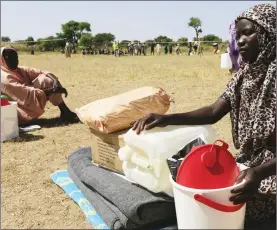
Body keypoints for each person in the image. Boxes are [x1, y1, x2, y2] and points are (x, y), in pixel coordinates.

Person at [132, 4, 276, 230]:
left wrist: (259, 173)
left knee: (238, 207)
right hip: (252, 163)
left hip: (271, 169)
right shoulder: (244, 76)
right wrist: (167, 118)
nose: (241, 41)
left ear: (270, 33)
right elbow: (213, 111)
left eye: (249, 32)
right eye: (238, 35)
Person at [1, 47, 79, 125]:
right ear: (2, 60)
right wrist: (53, 90)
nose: (14, 60)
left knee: (45, 80)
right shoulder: (5, 78)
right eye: (9, 57)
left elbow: (41, 72)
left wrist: (56, 82)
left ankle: (65, 111)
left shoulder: (19, 70)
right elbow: (27, 94)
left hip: (28, 102)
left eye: (16, 57)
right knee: (15, 117)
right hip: (15, 110)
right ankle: (26, 120)